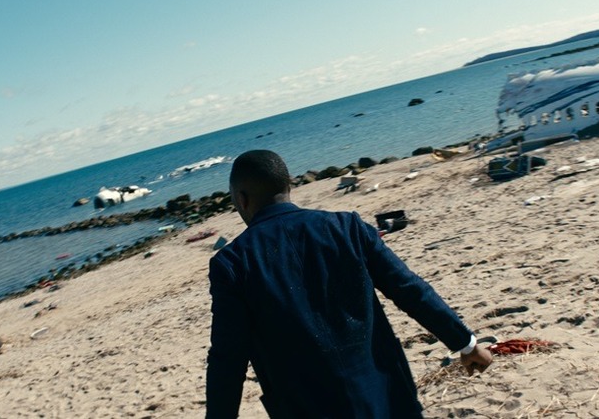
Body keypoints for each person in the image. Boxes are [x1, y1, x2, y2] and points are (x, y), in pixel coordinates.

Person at [206, 150, 492, 418]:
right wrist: (465, 343)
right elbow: (409, 289)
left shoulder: (232, 263)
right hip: (384, 392)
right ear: (289, 185)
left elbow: (228, 359)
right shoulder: (347, 227)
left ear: (241, 199)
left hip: (305, 407)